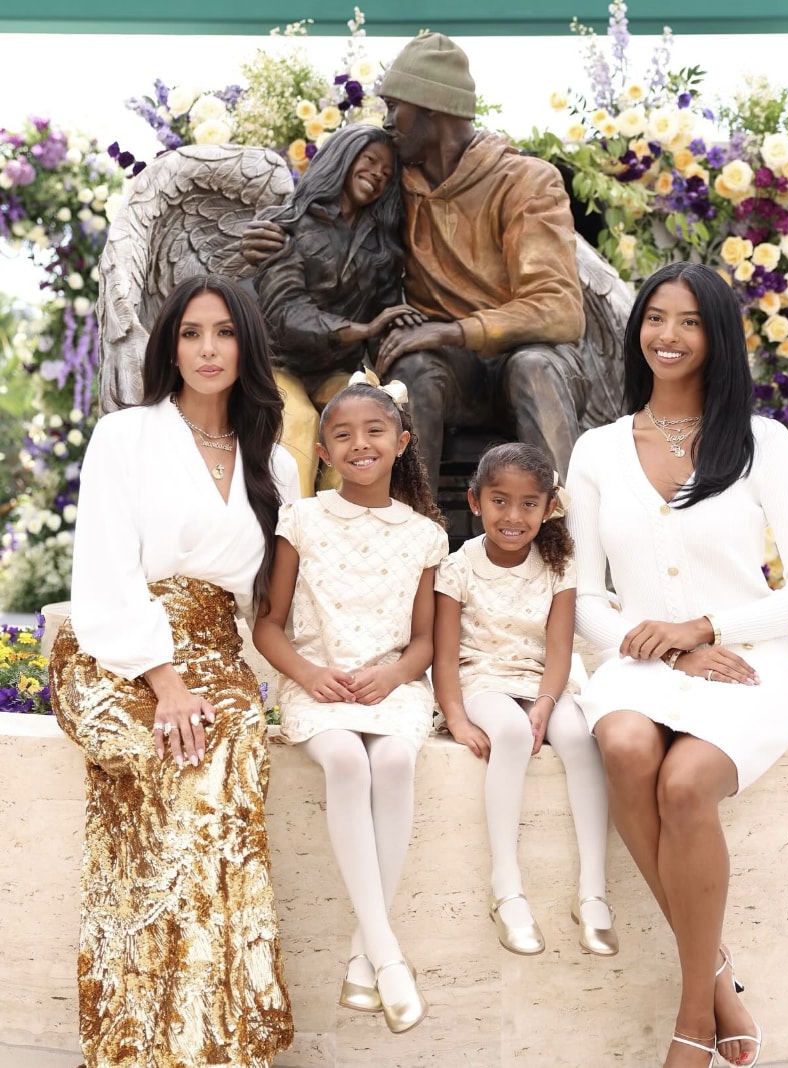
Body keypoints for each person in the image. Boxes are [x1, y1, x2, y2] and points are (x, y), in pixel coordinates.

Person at [564, 262, 788, 1068]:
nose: (668, 336)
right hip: (637, 663)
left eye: (688, 321)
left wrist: (707, 625)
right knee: (623, 747)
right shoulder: (598, 451)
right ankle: (713, 978)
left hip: (743, 666)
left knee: (684, 787)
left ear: (717, 337)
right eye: (655, 318)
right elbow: (579, 595)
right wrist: (651, 638)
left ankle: (690, 1019)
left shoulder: (763, 445)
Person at [49, 275, 299, 1067]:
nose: (207, 350)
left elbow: (273, 605)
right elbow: (105, 572)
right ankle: (149, 1040)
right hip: (114, 648)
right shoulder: (127, 436)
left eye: (223, 333)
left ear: (246, 346)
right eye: (190, 334)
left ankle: (206, 1042)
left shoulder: (276, 464)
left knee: (226, 754)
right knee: (185, 763)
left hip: (216, 654)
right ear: (169, 346)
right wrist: (164, 681)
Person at [252, 370, 448, 1035]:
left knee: (393, 763)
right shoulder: (301, 519)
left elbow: (424, 642)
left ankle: (365, 958)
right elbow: (269, 625)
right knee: (345, 762)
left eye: (374, 431)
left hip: (392, 688)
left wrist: (394, 677)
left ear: (401, 441)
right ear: (323, 454)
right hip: (318, 687)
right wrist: (308, 674)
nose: (359, 444)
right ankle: (386, 958)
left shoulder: (424, 534)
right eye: (342, 434)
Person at [374, 31, 588, 493]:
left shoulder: (527, 181)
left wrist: (451, 330)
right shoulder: (392, 182)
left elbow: (560, 309)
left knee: (532, 368)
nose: (387, 122)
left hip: (536, 363)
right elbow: (329, 223)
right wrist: (281, 235)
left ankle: (570, 544)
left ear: (431, 106)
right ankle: (411, 545)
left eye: (395, 107)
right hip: (455, 374)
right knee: (410, 374)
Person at [433, 443, 617, 958]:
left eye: (528, 503)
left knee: (581, 737)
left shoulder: (559, 567)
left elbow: (559, 650)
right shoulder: (457, 566)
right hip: (481, 680)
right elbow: (444, 659)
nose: (513, 516)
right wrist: (456, 717)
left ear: (548, 508)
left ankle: (594, 891)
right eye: (499, 501)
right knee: (511, 734)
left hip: (542, 679)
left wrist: (545, 702)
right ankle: (507, 889)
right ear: (474, 502)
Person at [253, 123, 422, 497]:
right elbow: (285, 313)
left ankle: (348, 535)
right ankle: (291, 537)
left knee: (359, 422)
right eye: (370, 161)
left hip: (336, 370)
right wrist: (363, 329)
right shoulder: (290, 225)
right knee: (298, 421)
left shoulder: (382, 249)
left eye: (386, 174)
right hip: (279, 365)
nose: (377, 175)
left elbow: (388, 312)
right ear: (343, 158)